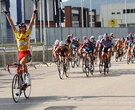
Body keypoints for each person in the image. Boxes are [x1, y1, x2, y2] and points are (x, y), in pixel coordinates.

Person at [3, 3, 38, 87]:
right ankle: (21, 83)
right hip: (20, 53)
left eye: (23, 27)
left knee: (22, 63)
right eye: (20, 27)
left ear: (25, 28)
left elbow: (31, 22)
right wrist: (7, 14)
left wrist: (34, 12)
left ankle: (27, 79)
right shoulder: (17, 34)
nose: (21, 28)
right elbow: (11, 24)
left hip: (27, 53)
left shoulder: (27, 33)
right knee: (19, 70)